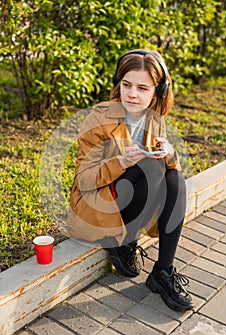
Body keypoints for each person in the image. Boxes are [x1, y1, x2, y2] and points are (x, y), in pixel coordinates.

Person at [68, 49, 194, 311]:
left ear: (159, 91)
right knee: (152, 165)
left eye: (142, 88)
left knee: (176, 179)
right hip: (97, 204)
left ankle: (163, 272)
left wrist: (171, 153)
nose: (132, 94)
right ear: (118, 83)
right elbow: (84, 180)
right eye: (126, 85)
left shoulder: (154, 119)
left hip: (132, 198)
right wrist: (121, 162)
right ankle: (124, 243)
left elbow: (167, 173)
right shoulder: (100, 117)